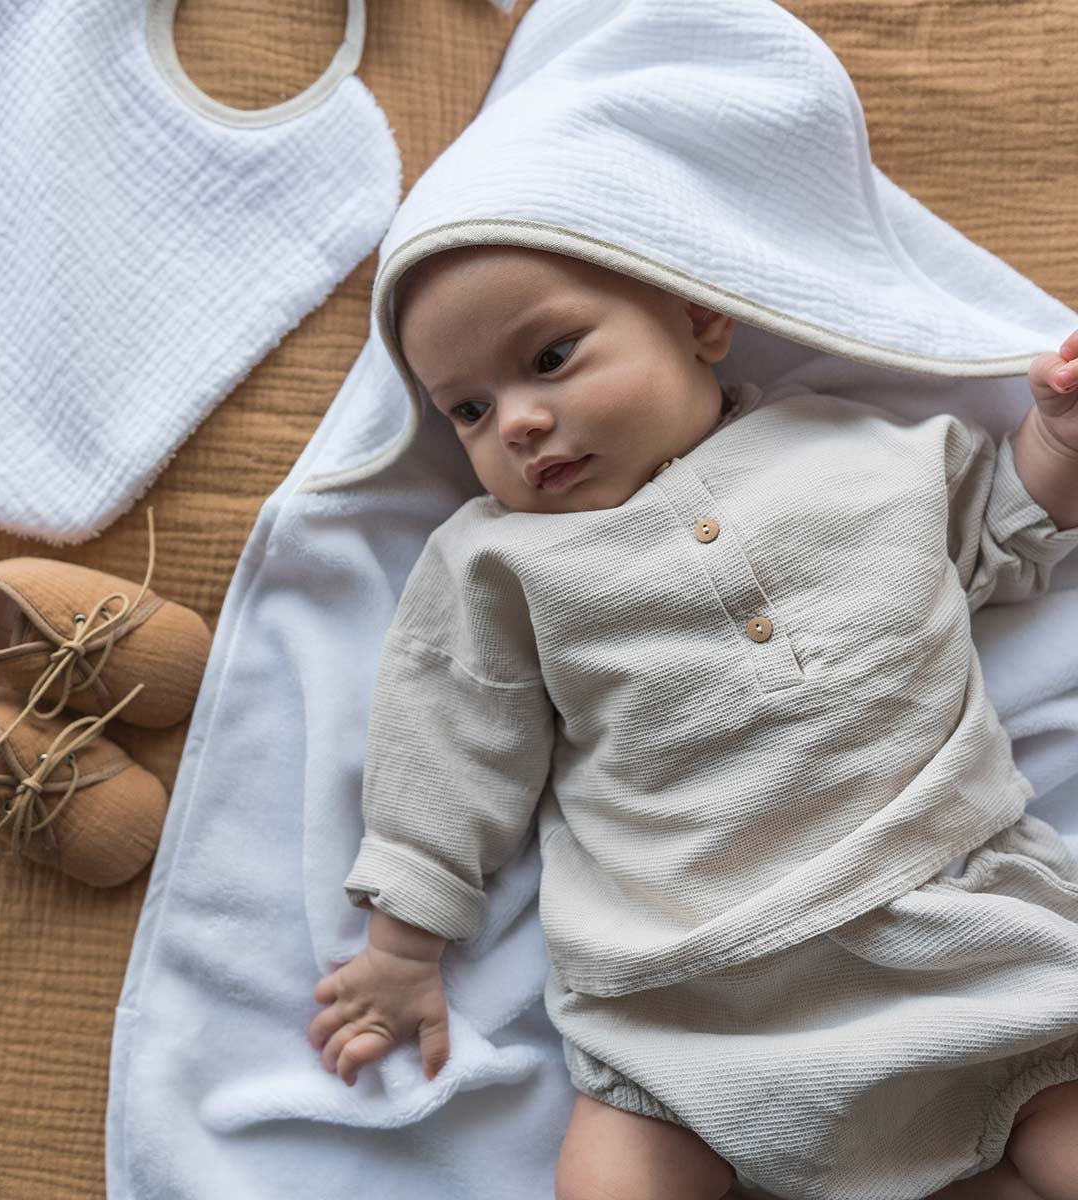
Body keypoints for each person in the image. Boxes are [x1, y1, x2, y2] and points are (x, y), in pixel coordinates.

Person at [308, 243, 1078, 1200]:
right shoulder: (499, 564)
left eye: (549, 358)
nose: (520, 421)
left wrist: (1060, 440)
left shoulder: (857, 452)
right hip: (686, 993)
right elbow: (446, 741)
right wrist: (402, 949)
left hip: (950, 920)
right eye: (467, 408)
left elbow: (1006, 527)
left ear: (699, 322)